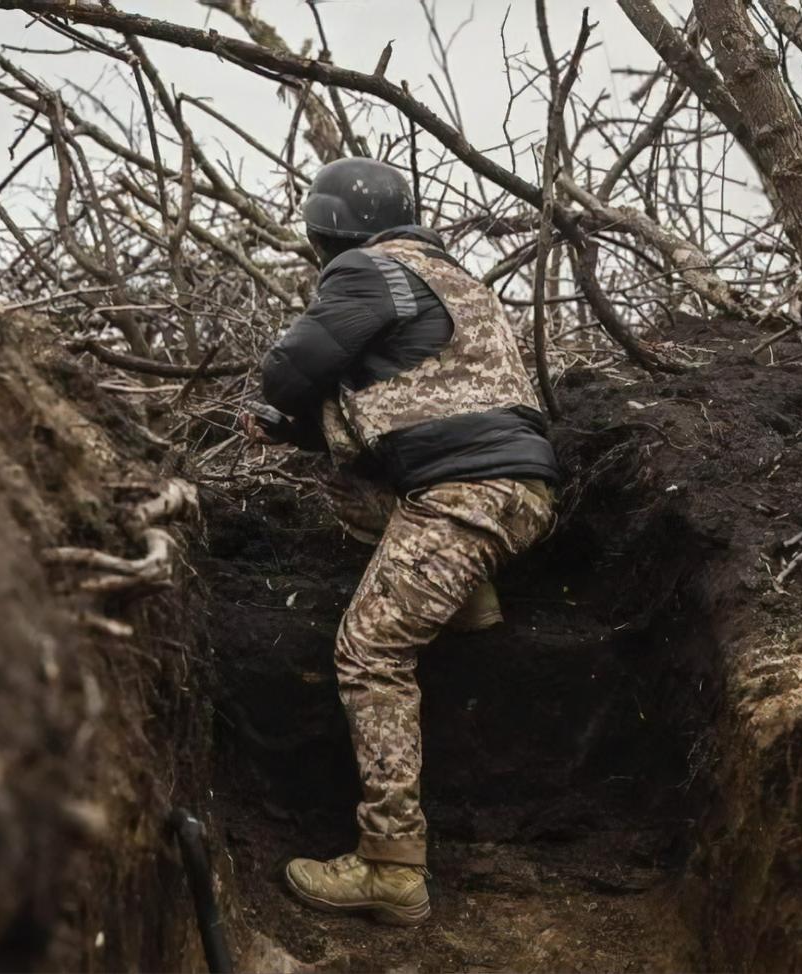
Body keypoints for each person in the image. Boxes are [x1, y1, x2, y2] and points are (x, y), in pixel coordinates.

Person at [242, 157, 559, 926]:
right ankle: (467, 595)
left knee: (370, 653)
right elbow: (408, 411)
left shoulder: (367, 269)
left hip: (463, 499)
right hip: (517, 491)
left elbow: (288, 370)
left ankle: (390, 866)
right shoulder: (456, 279)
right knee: (351, 474)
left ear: (325, 229)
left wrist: (281, 407)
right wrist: (306, 432)